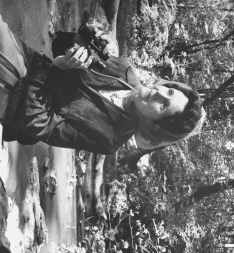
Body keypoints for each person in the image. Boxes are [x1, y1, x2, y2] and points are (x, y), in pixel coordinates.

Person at [0, 15, 205, 155]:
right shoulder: (123, 69)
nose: (159, 94)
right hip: (25, 59)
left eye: (164, 106)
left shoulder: (107, 139)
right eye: (169, 91)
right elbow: (58, 45)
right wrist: (82, 39)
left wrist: (55, 69)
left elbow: (36, 123)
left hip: (12, 105)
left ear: (155, 125)